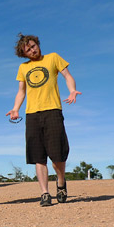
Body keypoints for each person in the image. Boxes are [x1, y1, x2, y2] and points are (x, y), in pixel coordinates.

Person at [6, 34, 82, 207]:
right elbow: (21, 91)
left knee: (57, 156)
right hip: (32, 114)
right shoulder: (23, 68)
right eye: (28, 50)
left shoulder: (53, 58)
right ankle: (44, 194)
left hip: (53, 111)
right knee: (38, 157)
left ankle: (61, 182)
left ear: (37, 44)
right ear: (24, 54)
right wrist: (16, 108)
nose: (33, 50)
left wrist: (72, 90)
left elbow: (68, 76)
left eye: (33, 46)